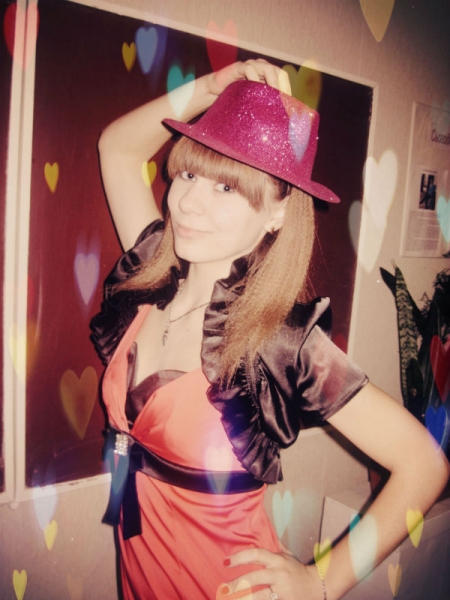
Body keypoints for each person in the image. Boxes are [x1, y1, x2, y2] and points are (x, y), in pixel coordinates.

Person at [91, 59, 449, 600]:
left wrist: (320, 582)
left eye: (226, 188)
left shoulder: (278, 341)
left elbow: (424, 464)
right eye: (188, 174)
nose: (189, 202)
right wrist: (212, 88)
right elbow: (116, 148)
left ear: (277, 214)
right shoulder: (151, 275)